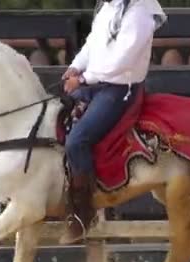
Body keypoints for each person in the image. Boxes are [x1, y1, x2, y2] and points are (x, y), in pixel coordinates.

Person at [59, 0, 167, 245]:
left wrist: (84, 78)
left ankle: (83, 214)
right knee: (56, 116)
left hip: (118, 90)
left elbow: (122, 60)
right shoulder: (110, 6)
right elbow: (93, 43)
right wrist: (75, 66)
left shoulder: (141, 12)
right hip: (96, 85)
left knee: (77, 141)